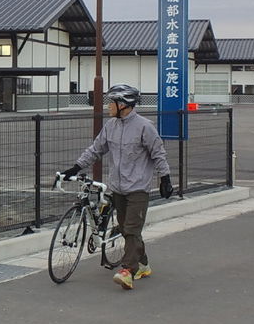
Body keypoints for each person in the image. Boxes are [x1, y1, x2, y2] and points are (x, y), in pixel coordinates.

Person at [60, 84, 172, 290]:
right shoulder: (111, 126)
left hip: (138, 188)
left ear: (123, 105)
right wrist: (76, 167)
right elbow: (96, 149)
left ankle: (127, 271)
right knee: (127, 229)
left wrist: (165, 178)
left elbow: (158, 153)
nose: (108, 106)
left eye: (111, 103)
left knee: (131, 228)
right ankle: (143, 264)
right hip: (118, 188)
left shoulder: (145, 127)